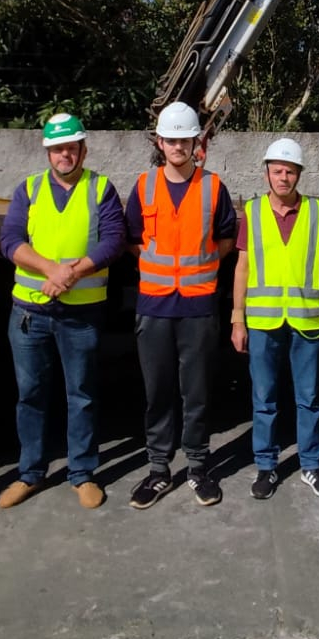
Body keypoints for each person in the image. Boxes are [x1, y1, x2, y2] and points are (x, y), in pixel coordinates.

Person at [0, 112, 125, 510]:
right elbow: (10, 239)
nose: (64, 154)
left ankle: (82, 474)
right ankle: (30, 473)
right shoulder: (28, 189)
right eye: (57, 148)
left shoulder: (100, 188)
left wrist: (71, 274)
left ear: (83, 149)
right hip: (30, 313)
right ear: (47, 151)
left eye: (71, 147)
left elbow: (114, 241)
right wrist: (53, 270)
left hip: (80, 314)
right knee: (30, 395)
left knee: (81, 394)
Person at [125, 102, 237, 508]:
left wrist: (199, 265)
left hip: (198, 307)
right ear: (160, 142)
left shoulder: (213, 187)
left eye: (184, 139)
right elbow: (133, 239)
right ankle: (158, 470)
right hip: (154, 307)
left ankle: (198, 467)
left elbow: (226, 239)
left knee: (196, 392)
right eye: (170, 139)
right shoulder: (143, 186)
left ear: (196, 143)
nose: (177, 145)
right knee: (158, 393)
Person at [230, 138, 319, 500]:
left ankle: (311, 465)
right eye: (277, 170)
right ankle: (267, 467)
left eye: (290, 171)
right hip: (263, 324)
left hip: (307, 322)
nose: (283, 177)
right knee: (264, 399)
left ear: (299, 174)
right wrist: (237, 319)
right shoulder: (254, 212)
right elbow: (242, 268)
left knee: (308, 399)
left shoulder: (316, 212)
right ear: (266, 174)